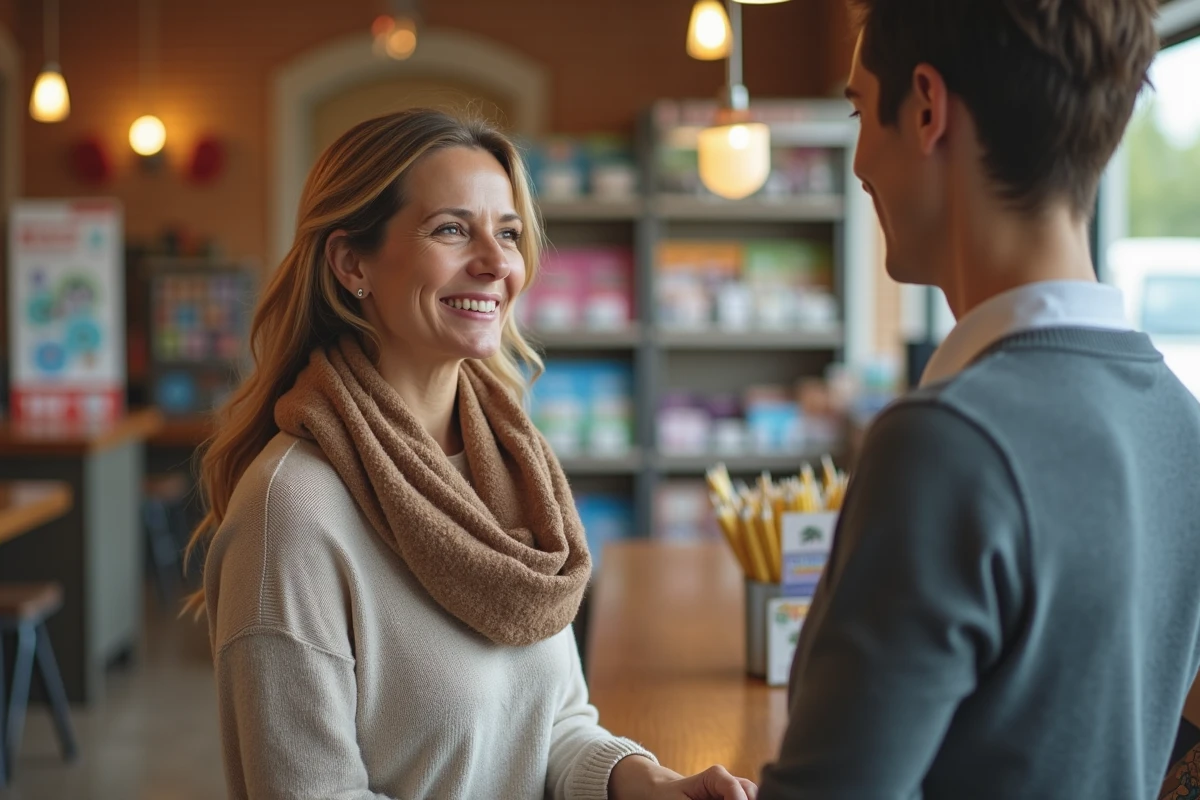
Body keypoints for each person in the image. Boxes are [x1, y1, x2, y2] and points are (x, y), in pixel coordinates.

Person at [188, 109, 758, 800]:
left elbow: (555, 722)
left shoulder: (515, 463)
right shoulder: (291, 511)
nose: (496, 263)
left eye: (509, 233)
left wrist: (645, 782)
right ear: (351, 263)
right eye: (452, 229)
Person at [757, 2, 1200, 798]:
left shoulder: (947, 444)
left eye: (861, 110)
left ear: (926, 108)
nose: (859, 163)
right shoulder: (1180, 422)